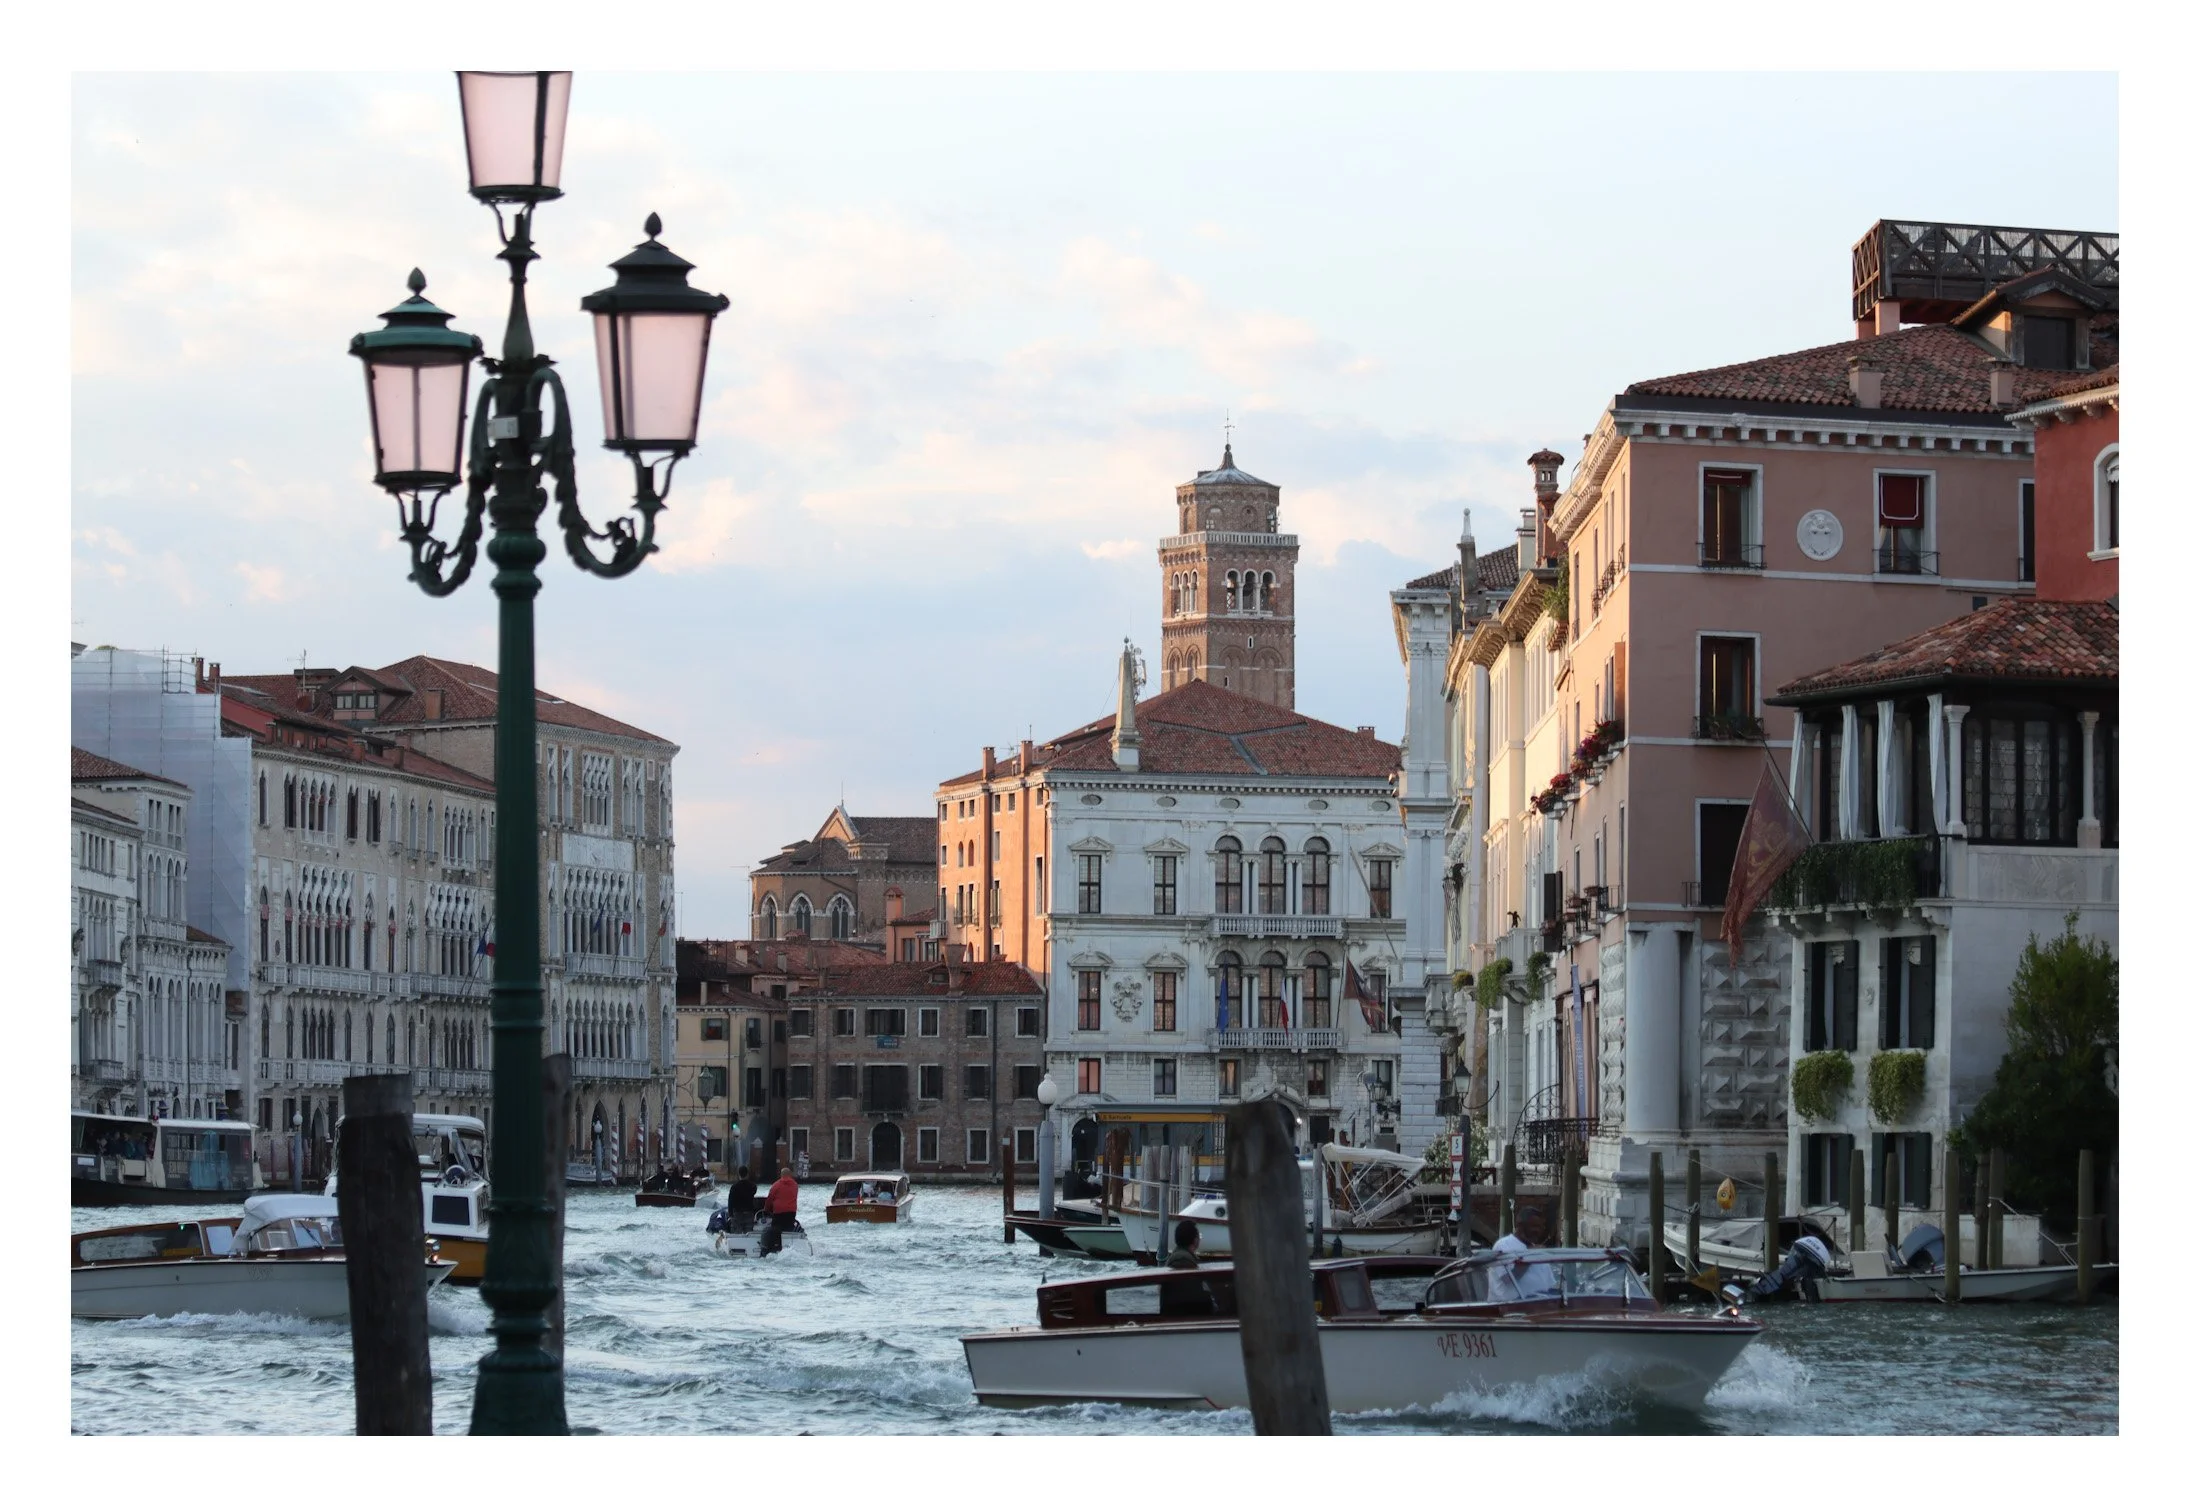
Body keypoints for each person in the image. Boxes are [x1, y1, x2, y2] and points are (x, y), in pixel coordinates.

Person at [1487, 1207, 1558, 1303]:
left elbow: (1550, 1285)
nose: (1539, 1231)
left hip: (1541, 1309)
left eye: (1541, 1227)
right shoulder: (1503, 1245)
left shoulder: (1537, 1250)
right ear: (1520, 1226)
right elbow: (1508, 1279)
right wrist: (1529, 1256)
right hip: (1510, 1310)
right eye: (1535, 1226)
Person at [1160, 1219, 1217, 1316]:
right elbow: (1190, 1295)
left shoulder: (1180, 1256)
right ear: (1195, 1240)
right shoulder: (1183, 1260)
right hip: (1184, 1318)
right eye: (1199, 1236)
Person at [759, 1167, 801, 1255]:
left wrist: (766, 1209)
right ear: (790, 1175)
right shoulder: (795, 1185)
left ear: (781, 1175)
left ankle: (774, 1247)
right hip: (791, 1213)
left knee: (775, 1230)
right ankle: (789, 1247)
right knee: (788, 1230)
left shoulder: (776, 1185)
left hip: (778, 1213)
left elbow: (769, 1200)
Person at [724, 1165, 759, 1231]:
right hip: (749, 1212)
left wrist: (730, 1214)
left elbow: (730, 1201)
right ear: (747, 1174)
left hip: (737, 1213)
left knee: (737, 1234)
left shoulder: (734, 1187)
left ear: (739, 1174)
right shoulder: (753, 1186)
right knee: (748, 1234)